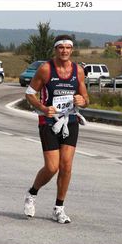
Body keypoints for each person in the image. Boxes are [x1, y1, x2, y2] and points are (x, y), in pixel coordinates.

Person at [24, 35, 89, 224]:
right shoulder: (45, 69)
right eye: (61, 47)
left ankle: (59, 208)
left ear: (72, 50)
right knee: (52, 167)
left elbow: (86, 99)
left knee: (66, 165)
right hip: (49, 122)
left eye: (68, 47)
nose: (65, 51)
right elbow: (29, 93)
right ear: (55, 49)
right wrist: (44, 108)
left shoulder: (78, 71)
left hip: (70, 121)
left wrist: (82, 101)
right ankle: (32, 193)